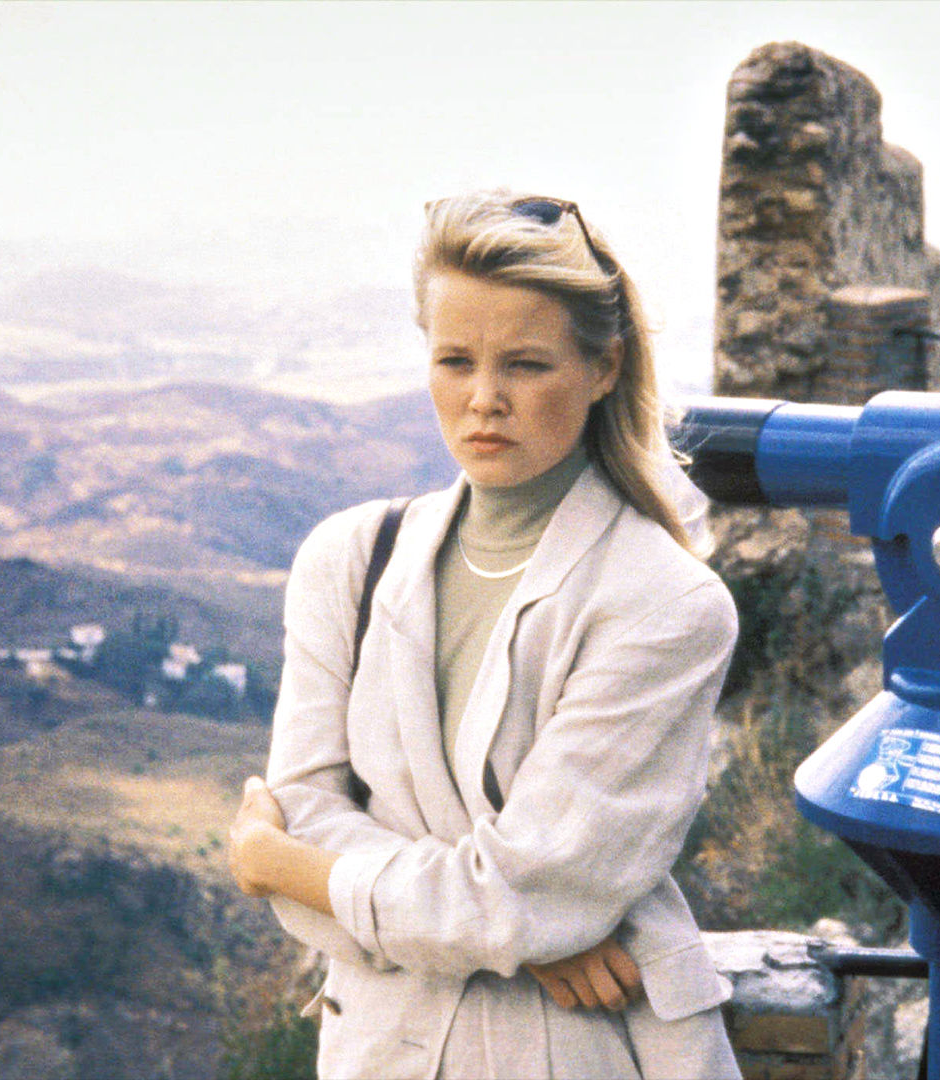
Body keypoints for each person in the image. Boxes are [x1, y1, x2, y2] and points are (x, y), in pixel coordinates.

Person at [226, 190, 742, 1080]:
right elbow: (318, 810)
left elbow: (502, 896)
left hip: (573, 1052)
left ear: (605, 368)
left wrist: (281, 865)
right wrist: (522, 934)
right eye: (455, 361)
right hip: (375, 1051)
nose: (484, 400)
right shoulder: (348, 559)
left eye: (527, 365)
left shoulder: (668, 604)